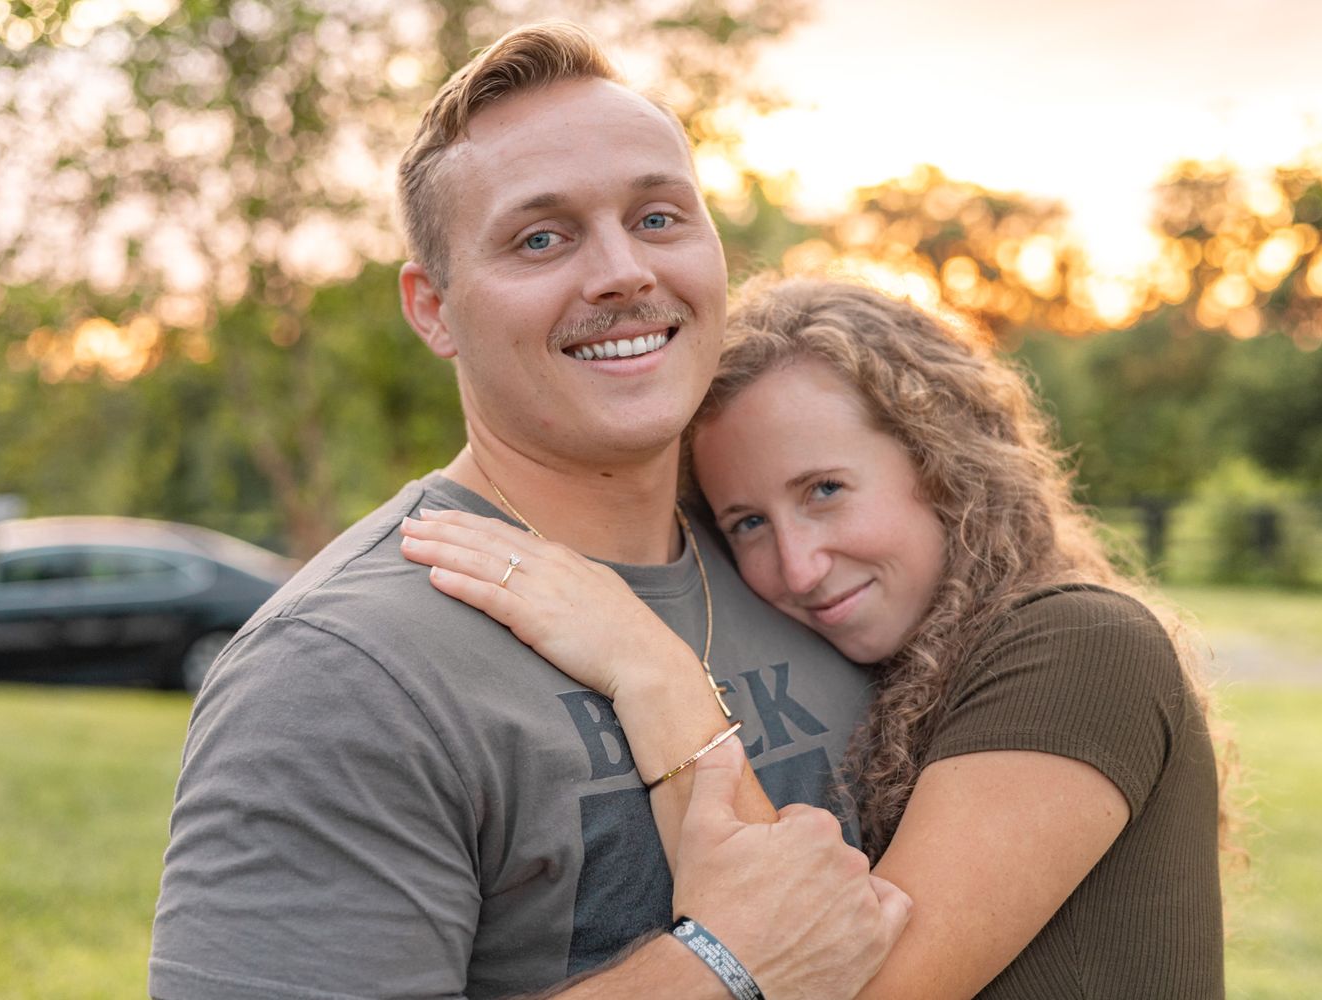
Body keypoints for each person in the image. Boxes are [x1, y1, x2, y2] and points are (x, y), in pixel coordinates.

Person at [149, 25, 910, 1000]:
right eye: (540, 238)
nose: (623, 272)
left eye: (660, 217)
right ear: (432, 309)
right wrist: (724, 969)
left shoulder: (816, 574)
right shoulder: (343, 669)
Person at [402, 277, 1230, 998]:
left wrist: (650, 665)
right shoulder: (908, 670)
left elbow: (854, 979)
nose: (798, 566)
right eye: (749, 522)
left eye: (826, 489)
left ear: (940, 464)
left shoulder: (1080, 646)